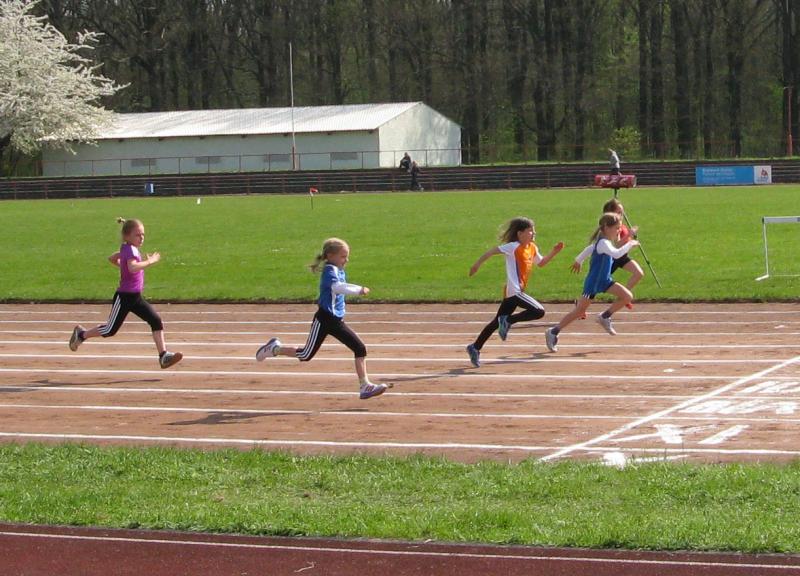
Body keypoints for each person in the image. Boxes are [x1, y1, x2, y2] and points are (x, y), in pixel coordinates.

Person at [256, 238, 389, 400]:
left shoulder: (339, 270)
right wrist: (358, 289)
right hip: (324, 320)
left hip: (336, 321)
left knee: (359, 348)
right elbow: (337, 287)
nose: (346, 260)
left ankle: (364, 386)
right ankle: (274, 349)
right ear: (330, 256)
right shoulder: (329, 271)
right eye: (343, 256)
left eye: (347, 256)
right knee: (306, 355)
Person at [68, 217, 183, 369]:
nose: (141, 238)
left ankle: (163, 356)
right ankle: (81, 335)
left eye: (143, 234)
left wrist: (122, 263)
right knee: (110, 330)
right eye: (138, 235)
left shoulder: (127, 248)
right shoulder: (130, 250)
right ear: (127, 236)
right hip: (124, 298)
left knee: (155, 320)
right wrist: (150, 261)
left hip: (136, 297)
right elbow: (133, 267)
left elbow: (112, 259)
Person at [466, 217, 564, 367]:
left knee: (496, 322)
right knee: (538, 311)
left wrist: (554, 252)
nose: (533, 233)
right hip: (514, 291)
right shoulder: (513, 247)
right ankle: (508, 321)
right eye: (530, 231)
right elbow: (491, 251)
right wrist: (476, 265)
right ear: (520, 233)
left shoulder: (532, 247)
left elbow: (541, 263)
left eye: (534, 230)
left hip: (513, 293)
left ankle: (475, 347)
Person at [545, 212, 639, 353]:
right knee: (579, 311)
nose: (619, 231)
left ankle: (604, 316)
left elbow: (590, 249)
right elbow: (616, 254)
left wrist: (579, 260)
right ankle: (553, 332)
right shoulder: (603, 243)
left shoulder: (603, 242)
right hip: (593, 283)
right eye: (617, 228)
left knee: (627, 296)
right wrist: (630, 243)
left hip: (605, 281)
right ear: (606, 228)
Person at [571, 198, 644, 306]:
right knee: (597, 284)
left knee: (638, 273)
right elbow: (616, 245)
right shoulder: (611, 228)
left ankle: (623, 297)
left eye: (622, 212)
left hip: (622, 256)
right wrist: (629, 237)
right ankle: (581, 303)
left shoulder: (620, 226)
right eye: (619, 212)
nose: (622, 215)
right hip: (611, 258)